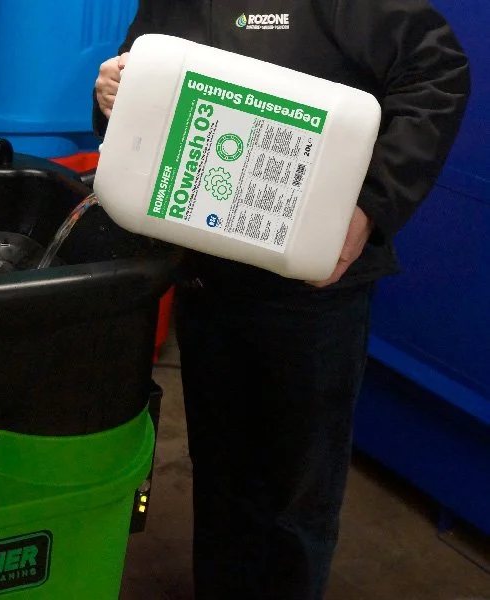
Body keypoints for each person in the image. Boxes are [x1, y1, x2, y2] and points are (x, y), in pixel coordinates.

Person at [92, 2, 471, 599]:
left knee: (296, 495)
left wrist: (372, 204)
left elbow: (438, 73)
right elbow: (151, 96)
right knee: (222, 478)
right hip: (207, 279)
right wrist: (111, 96)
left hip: (310, 299)